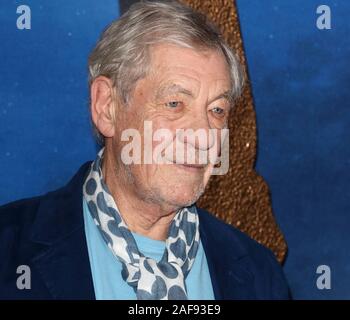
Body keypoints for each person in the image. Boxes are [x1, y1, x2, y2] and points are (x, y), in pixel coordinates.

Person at [0, 0, 289, 299]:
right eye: (175, 104)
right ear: (107, 107)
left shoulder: (259, 276)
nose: (203, 137)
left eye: (217, 110)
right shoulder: (8, 255)